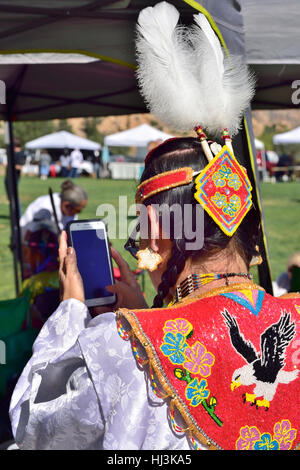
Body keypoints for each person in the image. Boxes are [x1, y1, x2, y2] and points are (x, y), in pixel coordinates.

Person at [9, 3, 300, 451]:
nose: (140, 249)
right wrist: (151, 313)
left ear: (162, 234)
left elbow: (35, 426)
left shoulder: (123, 347)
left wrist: (70, 309)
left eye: (142, 231)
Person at [20, 179, 88, 234]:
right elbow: (31, 232)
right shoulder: (45, 207)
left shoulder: (70, 209)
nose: (77, 213)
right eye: (78, 210)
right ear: (67, 205)